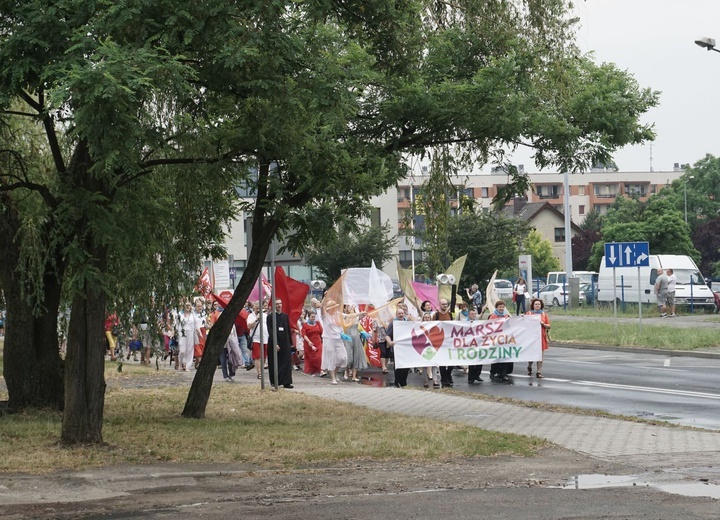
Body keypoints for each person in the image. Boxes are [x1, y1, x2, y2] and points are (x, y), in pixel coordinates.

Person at [266, 299, 294, 388]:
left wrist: (291, 342)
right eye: (277, 304)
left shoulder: (285, 316)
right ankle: (275, 381)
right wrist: (275, 343)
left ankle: (286, 381)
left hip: (285, 342)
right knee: (275, 362)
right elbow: (270, 331)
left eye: (280, 303)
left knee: (286, 362)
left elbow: (288, 329)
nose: (279, 305)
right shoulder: (270, 317)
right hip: (274, 342)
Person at [321, 300, 348, 385]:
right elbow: (321, 307)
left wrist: (361, 314)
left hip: (338, 338)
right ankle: (333, 378)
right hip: (329, 339)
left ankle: (335, 373)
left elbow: (349, 316)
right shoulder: (325, 316)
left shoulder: (338, 314)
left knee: (342, 357)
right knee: (331, 358)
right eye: (331, 307)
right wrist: (324, 298)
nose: (333, 308)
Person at [526, 298, 550, 378]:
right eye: (536, 304)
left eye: (539, 304)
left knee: (540, 356)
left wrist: (543, 324)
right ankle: (529, 365)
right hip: (531, 337)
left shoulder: (543, 314)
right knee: (532, 355)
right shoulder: (529, 313)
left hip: (541, 337)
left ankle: (539, 372)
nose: (537, 305)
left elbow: (548, 326)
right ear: (533, 305)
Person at [488, 299, 512, 382]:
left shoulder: (506, 316)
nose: (501, 308)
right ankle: (492, 372)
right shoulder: (493, 316)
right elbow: (489, 327)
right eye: (499, 307)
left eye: (502, 307)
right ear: (496, 307)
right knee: (496, 357)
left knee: (504, 357)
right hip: (495, 339)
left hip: (504, 339)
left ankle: (503, 374)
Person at [433, 298, 455, 388]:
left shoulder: (450, 314)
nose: (445, 305)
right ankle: (444, 378)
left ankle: (448, 374)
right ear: (439, 305)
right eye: (443, 304)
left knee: (452, 360)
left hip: (449, 341)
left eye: (446, 304)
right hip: (440, 341)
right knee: (442, 360)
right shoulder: (436, 315)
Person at [385, 307, 410, 388]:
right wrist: (390, 342)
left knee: (406, 366)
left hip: (406, 348)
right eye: (399, 313)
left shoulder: (407, 322)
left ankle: (404, 382)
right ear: (396, 314)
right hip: (397, 348)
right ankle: (397, 382)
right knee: (398, 366)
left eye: (402, 313)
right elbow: (387, 335)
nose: (401, 315)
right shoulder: (393, 323)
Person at [247, 300, 269, 380]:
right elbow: (249, 326)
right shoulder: (251, 316)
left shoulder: (265, 315)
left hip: (265, 338)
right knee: (257, 356)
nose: (257, 308)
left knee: (264, 356)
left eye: (258, 306)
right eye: (255, 306)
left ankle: (262, 370)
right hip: (256, 339)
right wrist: (256, 319)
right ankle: (259, 373)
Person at [176, 301, 201, 371]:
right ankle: (181, 363)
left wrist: (199, 333)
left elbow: (196, 324)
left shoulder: (193, 315)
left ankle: (188, 366)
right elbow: (177, 325)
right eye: (186, 305)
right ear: (184, 306)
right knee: (182, 350)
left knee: (190, 349)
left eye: (189, 305)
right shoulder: (180, 314)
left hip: (191, 332)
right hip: (182, 333)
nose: (188, 307)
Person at [302, 309, 324, 376]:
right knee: (311, 358)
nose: (313, 318)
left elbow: (322, 332)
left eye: (314, 317)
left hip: (318, 342)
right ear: (309, 317)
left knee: (319, 357)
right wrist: (309, 342)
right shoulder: (305, 325)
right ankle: (313, 370)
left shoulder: (317, 323)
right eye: (312, 317)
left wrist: (323, 339)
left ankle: (321, 370)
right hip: (309, 343)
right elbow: (304, 334)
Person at [421, 311, 439, 388]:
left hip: (433, 346)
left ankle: (435, 380)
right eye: (425, 317)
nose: (427, 319)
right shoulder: (420, 326)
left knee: (434, 363)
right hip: (423, 346)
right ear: (423, 318)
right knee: (425, 364)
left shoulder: (433, 326)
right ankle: (425, 381)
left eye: (428, 317)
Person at [466, 307, 484, 384]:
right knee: (471, 362)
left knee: (480, 360)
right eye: (472, 314)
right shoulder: (464, 323)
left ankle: (477, 375)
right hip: (470, 344)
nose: (473, 315)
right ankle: (471, 377)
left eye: (474, 314)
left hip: (478, 343)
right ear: (469, 314)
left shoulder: (478, 322)